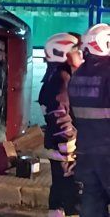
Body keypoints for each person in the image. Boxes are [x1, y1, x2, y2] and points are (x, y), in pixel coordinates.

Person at [39, 32, 83, 217]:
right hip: (65, 150)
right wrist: (70, 146)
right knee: (70, 192)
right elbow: (59, 117)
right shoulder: (61, 81)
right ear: (63, 53)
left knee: (59, 191)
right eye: (78, 51)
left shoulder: (56, 77)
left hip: (59, 148)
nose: (82, 55)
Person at [68, 23, 110, 217]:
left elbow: (75, 117)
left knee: (91, 201)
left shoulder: (76, 76)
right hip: (107, 151)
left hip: (86, 151)